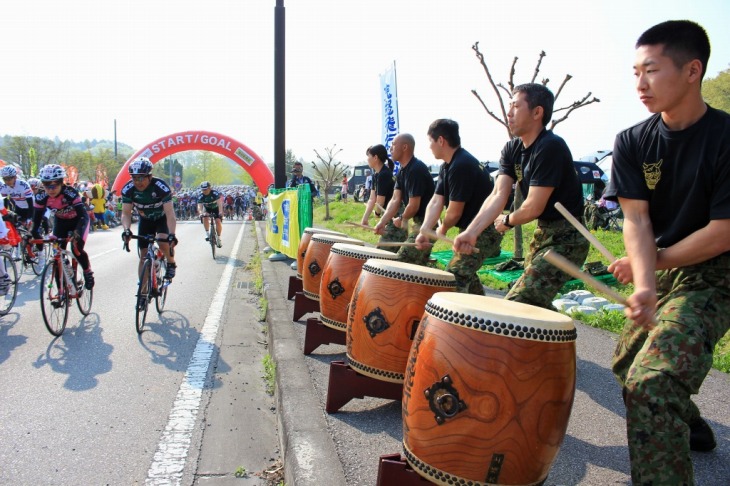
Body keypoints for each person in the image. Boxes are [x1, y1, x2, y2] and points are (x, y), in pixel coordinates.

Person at [604, 20, 729, 485]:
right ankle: (691, 425)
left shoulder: (724, 137)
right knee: (625, 361)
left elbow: (724, 231)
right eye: (635, 72)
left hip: (717, 273)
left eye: (651, 71)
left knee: (651, 385)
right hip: (669, 261)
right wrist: (645, 283)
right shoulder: (633, 141)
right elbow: (637, 220)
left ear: (693, 70)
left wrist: (652, 264)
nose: (640, 84)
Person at [453, 83, 589, 309]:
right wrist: (471, 232)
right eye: (509, 106)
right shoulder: (512, 149)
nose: (509, 113)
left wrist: (506, 221)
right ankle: (554, 343)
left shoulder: (550, 147)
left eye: (516, 106)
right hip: (543, 234)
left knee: (521, 302)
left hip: (569, 239)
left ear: (537, 112)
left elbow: (533, 206)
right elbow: (498, 194)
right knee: (535, 304)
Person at [415, 119, 502, 294]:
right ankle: (483, 311)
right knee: (465, 274)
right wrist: (424, 231)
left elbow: (454, 212)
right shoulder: (448, 165)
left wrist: (443, 229)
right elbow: (436, 201)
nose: (429, 147)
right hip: (472, 230)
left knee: (455, 276)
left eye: (430, 142)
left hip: (485, 232)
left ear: (441, 141)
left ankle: (457, 320)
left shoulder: (461, 165)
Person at [30, 164, 95, 289]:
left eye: (53, 185)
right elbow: (36, 220)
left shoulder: (70, 193)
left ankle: (88, 272)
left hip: (78, 221)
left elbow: (82, 215)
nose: (50, 189)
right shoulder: (41, 197)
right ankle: (61, 290)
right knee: (57, 255)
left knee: (76, 248)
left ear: (61, 183)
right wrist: (33, 234)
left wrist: (76, 232)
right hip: (61, 222)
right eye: (46, 185)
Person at [374, 133, 435, 265]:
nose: (390, 149)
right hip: (419, 222)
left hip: (429, 223)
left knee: (403, 260)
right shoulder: (402, 171)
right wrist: (382, 222)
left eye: (393, 145)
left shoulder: (416, 169)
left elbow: (414, 206)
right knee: (417, 265)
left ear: (405, 147)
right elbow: (395, 200)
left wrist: (402, 218)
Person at [120, 157, 178, 297]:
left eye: (141, 178)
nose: (138, 182)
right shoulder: (128, 189)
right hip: (145, 220)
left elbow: (170, 213)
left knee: (162, 241)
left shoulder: (160, 187)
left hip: (161, 218)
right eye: (135, 178)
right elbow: (126, 213)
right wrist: (126, 230)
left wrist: (172, 234)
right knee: (143, 256)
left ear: (150, 176)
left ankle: (170, 263)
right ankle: (143, 291)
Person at [360, 144, 406, 251]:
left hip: (396, 216)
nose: (367, 159)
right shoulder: (376, 175)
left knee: (382, 251)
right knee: (385, 251)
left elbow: (380, 201)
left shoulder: (384, 174)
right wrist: (365, 219)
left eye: (368, 156)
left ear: (375, 157)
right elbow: (372, 199)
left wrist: (377, 214)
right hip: (389, 214)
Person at [196, 181, 224, 248]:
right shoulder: (201, 196)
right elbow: (199, 206)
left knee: (217, 221)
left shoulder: (214, 193)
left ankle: (219, 238)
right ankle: (207, 233)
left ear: (209, 188)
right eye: (202, 189)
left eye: (205, 189)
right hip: (207, 209)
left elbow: (219, 204)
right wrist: (200, 213)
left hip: (216, 208)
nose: (204, 191)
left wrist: (220, 212)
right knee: (204, 217)